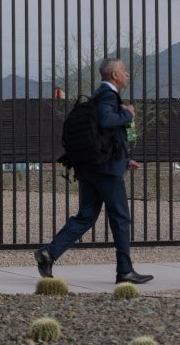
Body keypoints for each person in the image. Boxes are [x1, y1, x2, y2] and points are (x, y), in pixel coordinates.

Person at [35, 58, 153, 285]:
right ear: (115, 76)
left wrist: (125, 159)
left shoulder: (97, 95)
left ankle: (49, 253)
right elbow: (108, 121)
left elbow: (104, 135)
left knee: (86, 216)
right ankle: (125, 271)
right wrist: (128, 113)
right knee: (120, 218)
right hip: (106, 172)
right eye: (124, 70)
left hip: (92, 168)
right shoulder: (108, 96)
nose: (127, 74)